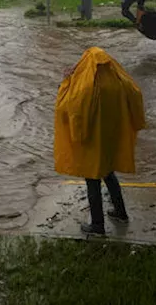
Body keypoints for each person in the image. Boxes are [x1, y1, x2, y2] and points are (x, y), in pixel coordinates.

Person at [54, 47, 146, 236]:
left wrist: (67, 80)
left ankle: (97, 225)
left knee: (92, 180)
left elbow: (67, 107)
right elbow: (135, 94)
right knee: (109, 174)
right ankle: (120, 212)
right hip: (110, 138)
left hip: (91, 140)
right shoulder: (118, 81)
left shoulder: (85, 87)